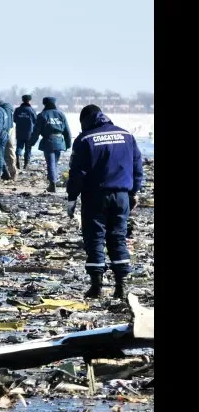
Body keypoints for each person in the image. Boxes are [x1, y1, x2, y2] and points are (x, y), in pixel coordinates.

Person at [66, 105, 143, 299]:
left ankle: (96, 286)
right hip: (122, 196)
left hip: (95, 196)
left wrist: (72, 197)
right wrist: (134, 192)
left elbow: (77, 173)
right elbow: (136, 166)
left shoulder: (84, 140)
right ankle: (121, 285)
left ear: (85, 120)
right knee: (118, 237)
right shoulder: (126, 136)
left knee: (95, 238)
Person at [28, 96, 72, 192]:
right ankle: (53, 181)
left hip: (48, 141)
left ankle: (52, 184)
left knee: (51, 163)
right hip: (60, 141)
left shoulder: (42, 115)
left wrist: (31, 143)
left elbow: (36, 131)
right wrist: (68, 144)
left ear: (45, 104)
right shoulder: (61, 114)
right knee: (54, 163)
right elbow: (67, 131)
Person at [0, 96, 17, 179]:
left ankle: (8, 174)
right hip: (7, 131)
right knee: (1, 154)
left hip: (4, 132)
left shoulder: (0, 109)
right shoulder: (5, 107)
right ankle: (5, 173)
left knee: (3, 153)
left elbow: (0, 125)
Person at [13, 95, 37, 168]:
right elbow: (35, 120)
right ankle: (26, 164)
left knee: (19, 147)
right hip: (29, 132)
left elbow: (14, 120)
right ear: (29, 101)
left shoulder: (17, 110)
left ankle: (17, 157)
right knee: (28, 148)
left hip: (19, 132)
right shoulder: (32, 110)